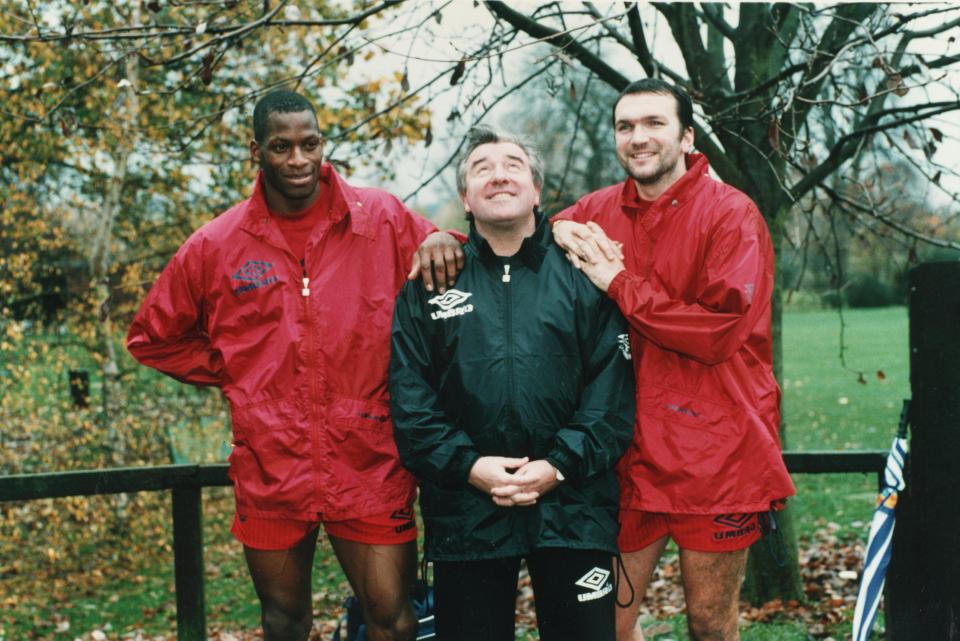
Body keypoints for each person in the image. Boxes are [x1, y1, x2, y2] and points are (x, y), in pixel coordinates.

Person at [127, 89, 464, 641]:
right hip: (270, 466)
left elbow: (455, 257)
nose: (299, 160)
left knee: (394, 620)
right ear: (255, 151)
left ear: (322, 143)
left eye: (310, 144)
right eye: (281, 147)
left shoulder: (379, 219)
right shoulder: (217, 244)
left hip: (371, 458)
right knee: (284, 621)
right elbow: (152, 337)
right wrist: (238, 370)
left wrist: (446, 238)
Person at [552, 79, 796, 641]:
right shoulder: (597, 210)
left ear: (686, 136)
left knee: (710, 625)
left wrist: (617, 282)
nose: (638, 138)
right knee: (604, 624)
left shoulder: (731, 214)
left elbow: (717, 331)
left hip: (716, 454)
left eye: (654, 124)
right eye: (625, 126)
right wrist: (554, 226)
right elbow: (514, 233)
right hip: (627, 454)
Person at [389, 125, 636, 641]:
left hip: (574, 506)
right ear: (465, 198)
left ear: (537, 191)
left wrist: (559, 466)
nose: (498, 175)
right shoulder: (429, 284)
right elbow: (412, 403)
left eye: (513, 166)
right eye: (482, 168)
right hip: (467, 510)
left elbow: (610, 397)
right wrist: (469, 466)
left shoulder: (583, 272)